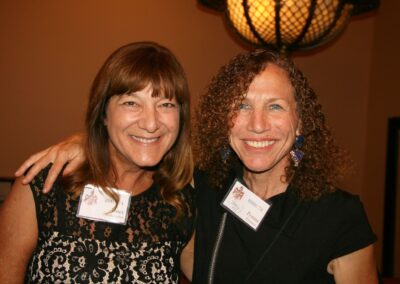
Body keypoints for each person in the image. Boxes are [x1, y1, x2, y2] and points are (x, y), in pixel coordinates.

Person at [13, 49, 379, 283]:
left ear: (301, 123)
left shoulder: (340, 217)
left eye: (276, 107)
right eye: (241, 106)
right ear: (224, 118)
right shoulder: (202, 191)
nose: (257, 125)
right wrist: (84, 142)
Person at [0, 41, 196, 283]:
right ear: (103, 114)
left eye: (166, 104)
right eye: (131, 103)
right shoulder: (43, 184)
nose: (151, 123)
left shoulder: (181, 203)